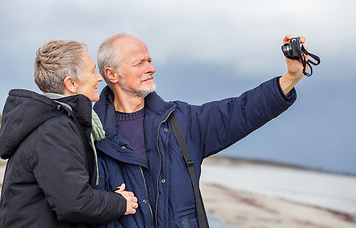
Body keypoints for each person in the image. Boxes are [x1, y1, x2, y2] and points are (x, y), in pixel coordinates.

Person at [93, 33, 307, 228]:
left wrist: (290, 78)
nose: (151, 68)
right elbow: (75, 203)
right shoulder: (91, 135)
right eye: (140, 63)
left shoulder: (181, 120)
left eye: (149, 60)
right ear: (112, 74)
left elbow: (239, 111)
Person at [0, 40, 138, 227]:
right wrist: (121, 203)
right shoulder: (54, 130)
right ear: (71, 84)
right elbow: (75, 203)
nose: (98, 78)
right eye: (91, 71)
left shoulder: (57, 122)